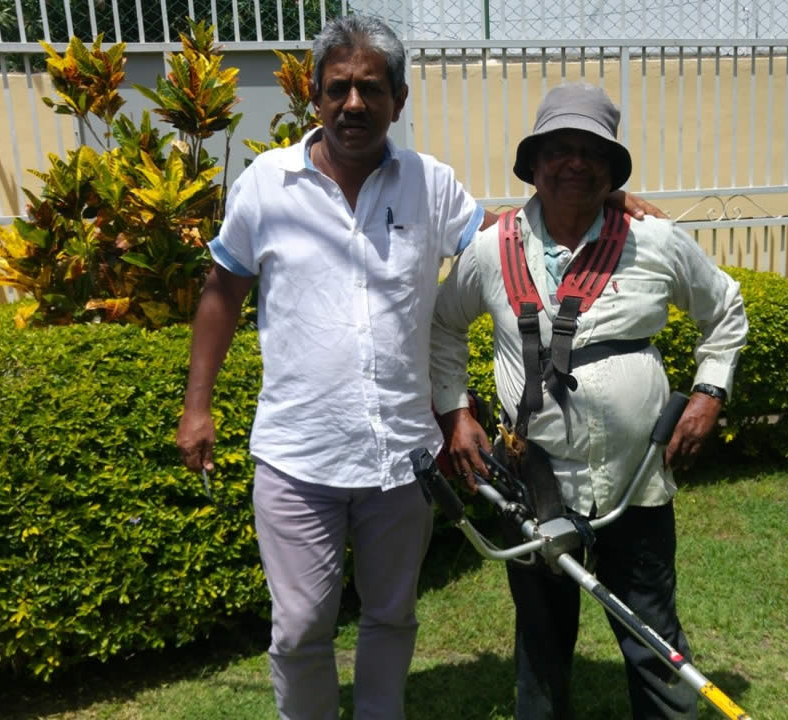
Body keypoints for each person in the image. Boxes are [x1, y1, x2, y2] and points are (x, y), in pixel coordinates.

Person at [175, 16, 663, 719]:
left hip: (404, 460)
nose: (353, 104)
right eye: (338, 88)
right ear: (314, 96)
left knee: (391, 615)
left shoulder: (428, 185)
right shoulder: (265, 186)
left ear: (397, 100)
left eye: (370, 89)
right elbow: (222, 293)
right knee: (301, 627)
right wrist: (198, 406)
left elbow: (502, 235)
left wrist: (587, 194)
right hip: (298, 457)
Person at [430, 82, 749, 720]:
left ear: (611, 169)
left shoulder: (653, 242)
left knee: (650, 631)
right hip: (534, 482)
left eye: (591, 152)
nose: (575, 162)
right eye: (559, 150)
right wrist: (456, 413)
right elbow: (442, 327)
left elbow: (726, 311)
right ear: (535, 164)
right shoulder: (493, 251)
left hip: (636, 483)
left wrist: (711, 391)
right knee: (543, 646)